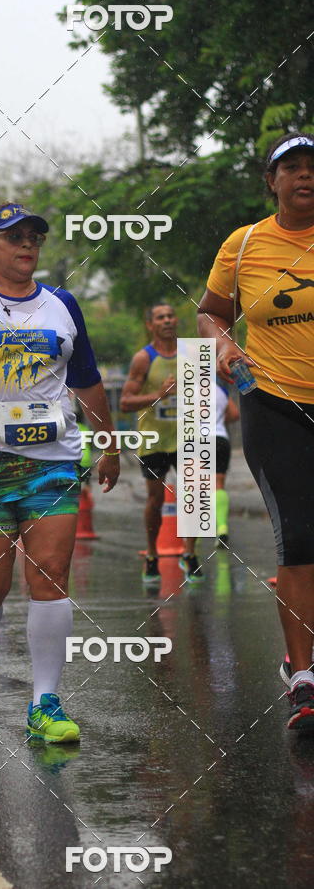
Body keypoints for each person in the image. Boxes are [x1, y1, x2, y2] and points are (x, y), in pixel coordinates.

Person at [0, 202, 120, 743]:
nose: (26, 245)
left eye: (34, 236)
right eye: (12, 237)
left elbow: (85, 378)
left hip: (54, 461)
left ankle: (44, 702)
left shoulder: (63, 304)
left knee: (51, 577)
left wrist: (108, 443)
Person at [197, 132, 314, 731]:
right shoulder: (244, 246)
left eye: (312, 166)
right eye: (290, 167)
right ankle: (302, 676)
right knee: (297, 539)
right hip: (276, 407)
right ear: (270, 181)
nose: (304, 176)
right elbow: (212, 310)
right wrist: (222, 342)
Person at [120, 303, 203, 584]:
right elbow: (125, 403)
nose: (167, 320)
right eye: (160, 317)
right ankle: (153, 553)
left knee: (194, 493)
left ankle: (189, 554)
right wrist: (158, 393)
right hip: (153, 439)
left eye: (170, 315)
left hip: (185, 437)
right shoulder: (144, 359)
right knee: (156, 499)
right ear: (150, 325)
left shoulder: (191, 353)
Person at [214, 379, 240, 548]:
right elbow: (235, 414)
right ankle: (222, 527)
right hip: (220, 438)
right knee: (218, 484)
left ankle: (194, 536)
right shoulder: (220, 389)